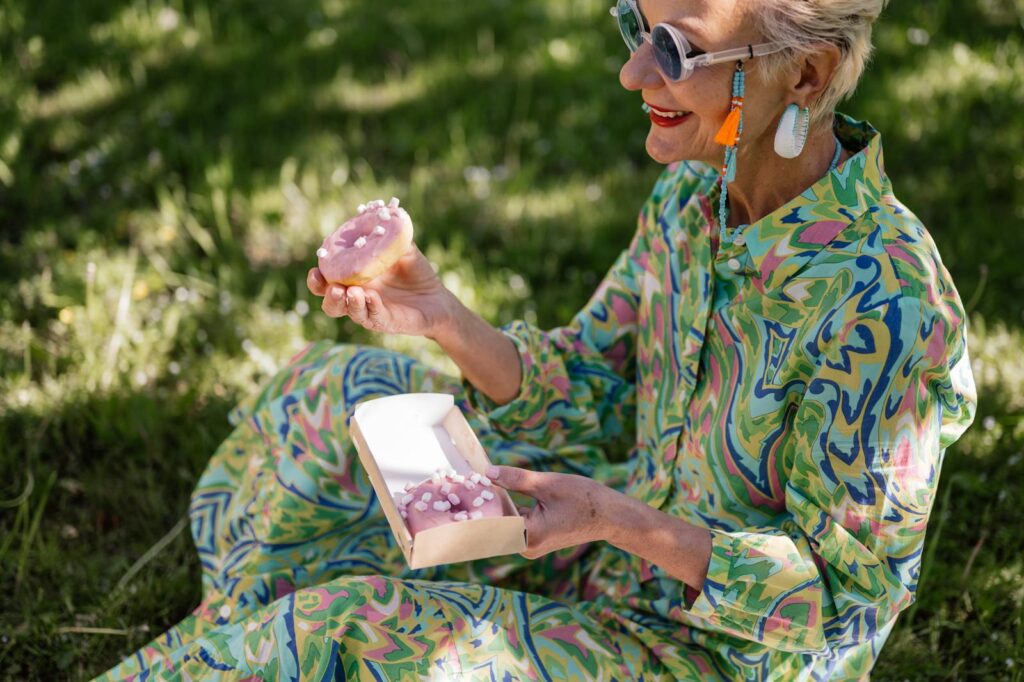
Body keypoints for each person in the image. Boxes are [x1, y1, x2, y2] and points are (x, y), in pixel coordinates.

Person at [97, 0, 977, 679]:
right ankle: (235, 637)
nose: (634, 72)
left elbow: (845, 599)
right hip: (606, 563)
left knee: (353, 629)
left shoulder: (888, 307)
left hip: (715, 657)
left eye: (675, 49)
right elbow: (590, 378)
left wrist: (613, 517)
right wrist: (441, 314)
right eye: (638, 24)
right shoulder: (693, 199)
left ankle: (275, 645)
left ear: (809, 76)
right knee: (338, 390)